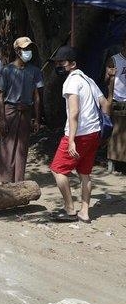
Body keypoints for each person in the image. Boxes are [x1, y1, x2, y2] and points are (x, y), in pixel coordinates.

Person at [49, 46, 110, 223]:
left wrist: (71, 141)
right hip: (94, 133)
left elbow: (73, 112)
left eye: (63, 62)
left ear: (72, 64)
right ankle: (85, 212)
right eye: (57, 62)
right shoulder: (88, 80)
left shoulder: (71, 82)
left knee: (58, 169)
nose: (59, 65)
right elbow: (105, 104)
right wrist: (104, 134)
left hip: (78, 134)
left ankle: (69, 210)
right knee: (84, 173)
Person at [0, 37, 41, 183]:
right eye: (25, 49)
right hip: (10, 111)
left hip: (26, 112)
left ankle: (18, 181)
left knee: (22, 148)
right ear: (17, 51)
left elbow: (37, 96)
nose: (28, 52)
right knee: (7, 147)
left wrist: (37, 118)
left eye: (29, 49)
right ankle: (4, 181)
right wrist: (2, 119)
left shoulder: (34, 71)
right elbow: (0, 96)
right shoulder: (7, 70)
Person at [105, 33, 126, 167]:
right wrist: (110, 74)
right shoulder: (114, 60)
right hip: (117, 100)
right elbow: (106, 80)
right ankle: (112, 162)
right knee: (115, 133)